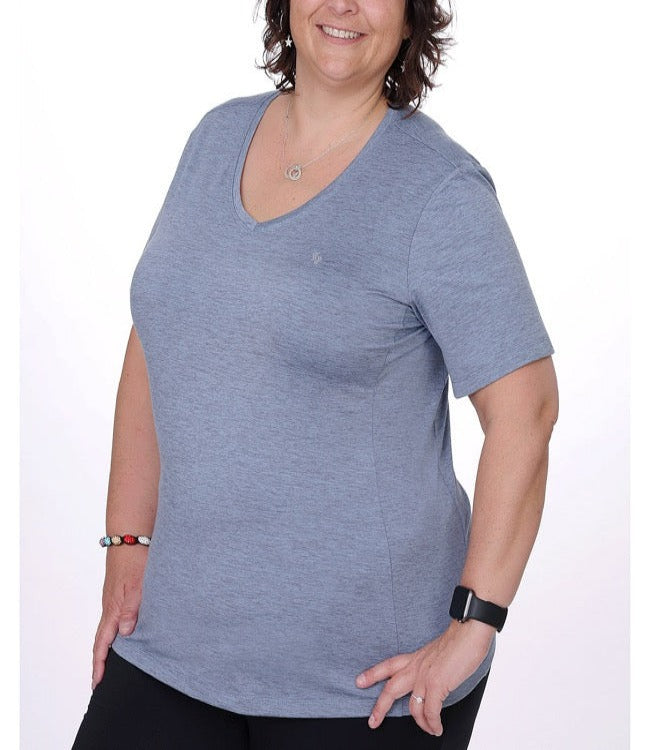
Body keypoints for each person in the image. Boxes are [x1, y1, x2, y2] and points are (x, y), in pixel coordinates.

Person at [71, 1, 559, 748]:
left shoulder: (440, 190)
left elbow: (526, 411)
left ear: (410, 18)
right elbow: (158, 334)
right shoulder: (216, 137)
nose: (343, 5)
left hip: (365, 686)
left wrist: (476, 623)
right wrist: (128, 542)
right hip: (172, 645)